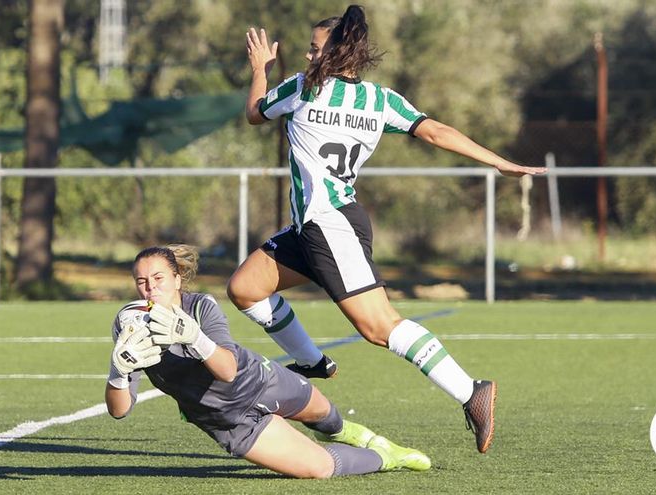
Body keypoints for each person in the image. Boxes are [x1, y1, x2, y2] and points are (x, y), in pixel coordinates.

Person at [229, 5, 547, 454]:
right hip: (315, 225)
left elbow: (254, 112)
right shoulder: (381, 100)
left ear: (336, 52)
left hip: (330, 224)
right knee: (245, 288)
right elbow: (436, 131)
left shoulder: (303, 88)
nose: (307, 55)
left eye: (314, 49)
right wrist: (498, 162)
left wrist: (261, 68)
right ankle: (312, 363)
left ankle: (470, 391)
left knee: (380, 327)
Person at [104, 244, 431, 479]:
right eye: (142, 281)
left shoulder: (201, 306)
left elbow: (228, 370)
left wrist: (193, 336)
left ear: (177, 280)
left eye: (158, 278)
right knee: (319, 468)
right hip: (227, 420)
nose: (150, 288)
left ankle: (348, 433)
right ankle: (385, 456)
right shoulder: (129, 325)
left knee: (324, 413)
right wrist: (119, 372)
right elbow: (120, 410)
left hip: (259, 380)